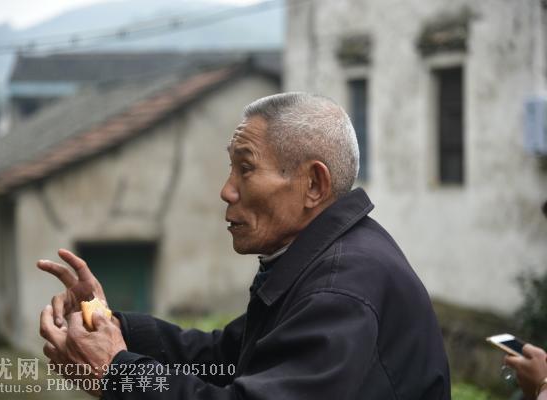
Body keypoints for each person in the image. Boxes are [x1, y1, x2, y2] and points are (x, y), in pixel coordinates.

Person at [38, 92, 451, 399]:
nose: (227, 190)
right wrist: (106, 323)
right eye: (230, 168)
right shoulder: (317, 262)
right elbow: (223, 358)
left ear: (314, 185)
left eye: (246, 168)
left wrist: (118, 373)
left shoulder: (341, 289)